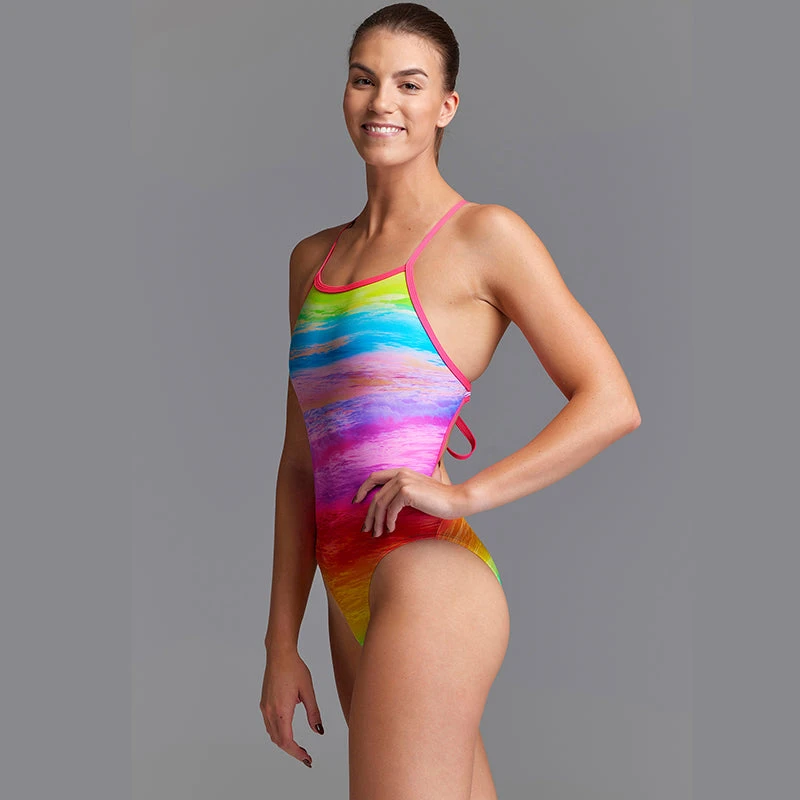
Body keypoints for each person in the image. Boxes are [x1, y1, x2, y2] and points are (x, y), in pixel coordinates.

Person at [260, 3, 641, 797]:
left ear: (446, 106)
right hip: (347, 592)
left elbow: (610, 400)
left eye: (409, 84)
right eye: (364, 80)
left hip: (429, 581)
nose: (382, 102)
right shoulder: (311, 261)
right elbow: (300, 467)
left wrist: (468, 494)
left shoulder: (482, 237)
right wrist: (279, 645)